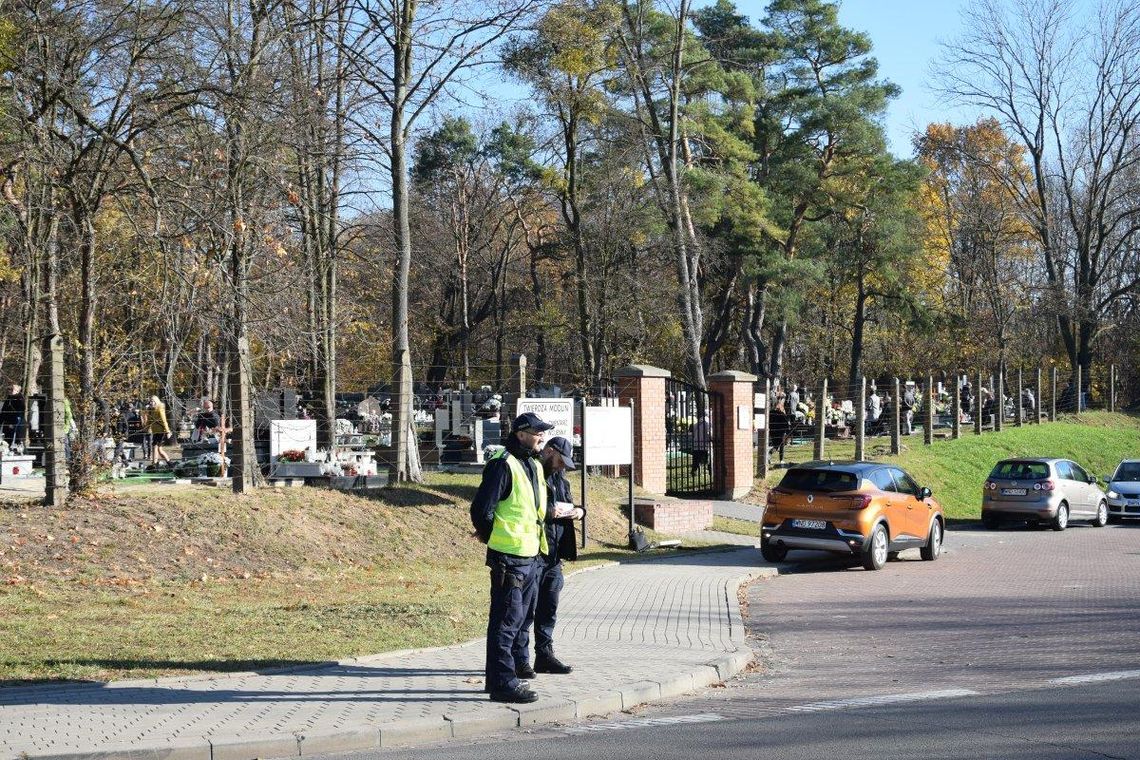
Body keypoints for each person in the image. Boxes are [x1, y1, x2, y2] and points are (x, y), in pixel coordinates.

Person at [469, 411, 554, 704]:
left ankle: (501, 679)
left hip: (531, 555)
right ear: (520, 434)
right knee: (506, 622)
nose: (541, 435)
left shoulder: (532, 464)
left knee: (517, 621)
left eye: (543, 431)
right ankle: (503, 684)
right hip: (510, 557)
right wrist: (491, 536)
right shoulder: (502, 465)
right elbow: (482, 510)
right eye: (536, 431)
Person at [522, 435, 584, 676]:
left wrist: (579, 511)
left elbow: (568, 503)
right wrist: (550, 511)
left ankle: (545, 655)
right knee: (527, 609)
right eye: (559, 461)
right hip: (534, 551)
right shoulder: (531, 472)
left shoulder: (560, 479)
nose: (561, 467)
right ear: (549, 451)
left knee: (549, 608)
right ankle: (521, 659)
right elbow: (527, 506)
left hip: (554, 555)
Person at [143, 395, 172, 465]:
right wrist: (146, 429)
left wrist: (168, 431)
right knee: (159, 450)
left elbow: (164, 420)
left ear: (156, 402)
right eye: (150, 401)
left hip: (161, 431)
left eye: (153, 401)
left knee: (154, 446)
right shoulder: (151, 410)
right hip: (155, 431)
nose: (151, 403)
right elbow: (149, 421)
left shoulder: (160, 408)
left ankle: (154, 463)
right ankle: (169, 463)